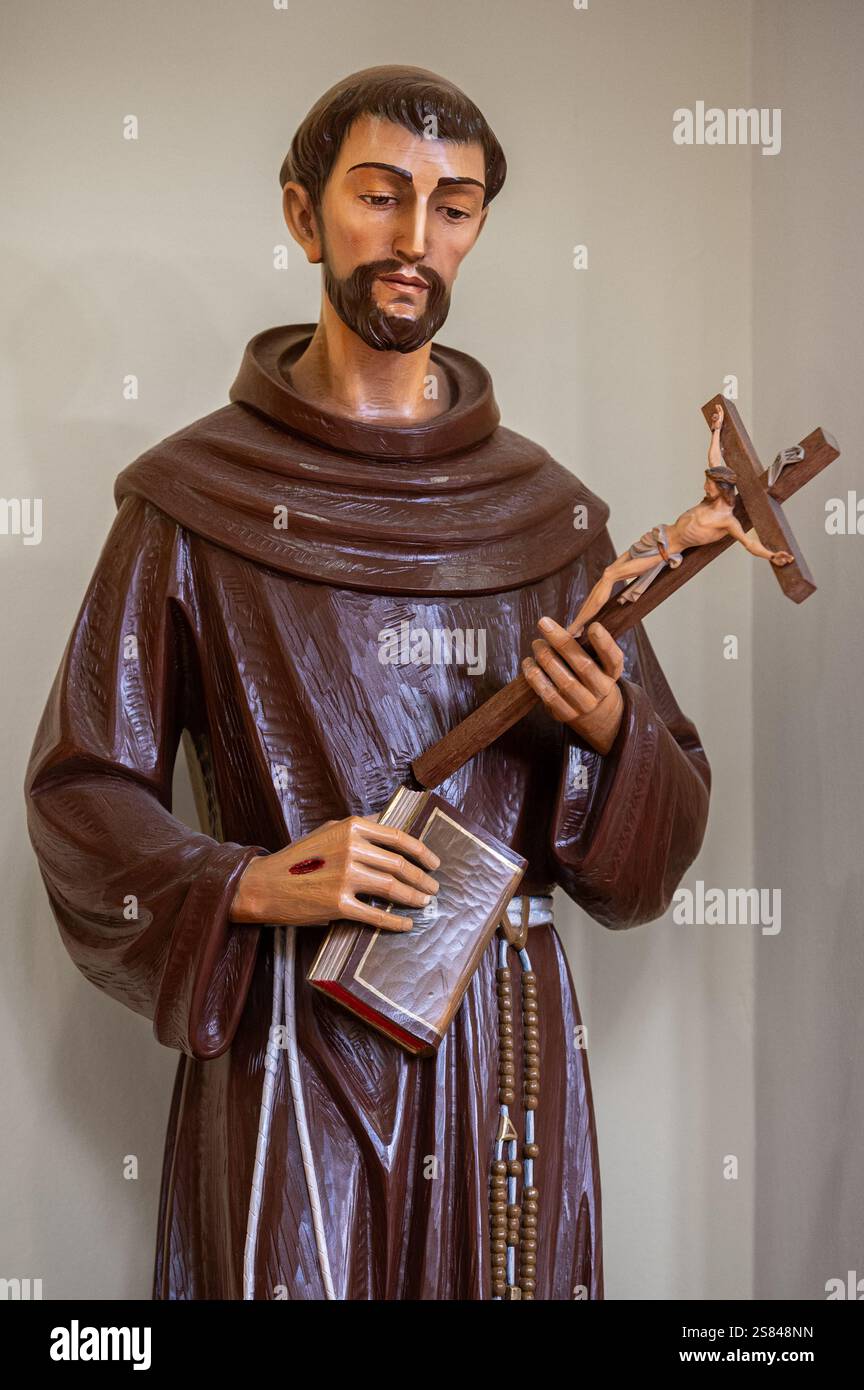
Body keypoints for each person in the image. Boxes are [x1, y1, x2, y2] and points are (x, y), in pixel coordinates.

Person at [25, 65, 710, 1300]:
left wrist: (613, 731)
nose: (414, 240)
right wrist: (241, 883)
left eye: (452, 207)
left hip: (506, 1040)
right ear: (303, 216)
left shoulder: (547, 518)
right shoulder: (192, 503)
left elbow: (657, 852)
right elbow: (80, 790)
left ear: (481, 228)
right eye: (380, 196)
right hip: (298, 1032)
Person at [570, 402, 795, 631]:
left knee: (609, 575)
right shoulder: (708, 500)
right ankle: (576, 627)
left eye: (709, 484)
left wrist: (771, 555)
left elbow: (748, 543)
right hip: (655, 536)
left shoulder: (727, 520)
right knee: (606, 575)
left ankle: (575, 628)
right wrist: (716, 430)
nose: (705, 486)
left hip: (660, 553)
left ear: (721, 488)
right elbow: (714, 459)